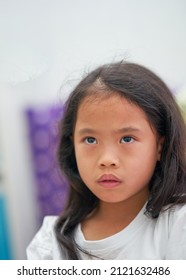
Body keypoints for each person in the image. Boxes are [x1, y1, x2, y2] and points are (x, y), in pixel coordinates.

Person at [27, 61, 186, 260]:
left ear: (160, 146)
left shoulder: (178, 226)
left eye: (127, 139)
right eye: (90, 140)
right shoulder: (50, 244)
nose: (107, 160)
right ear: (73, 145)